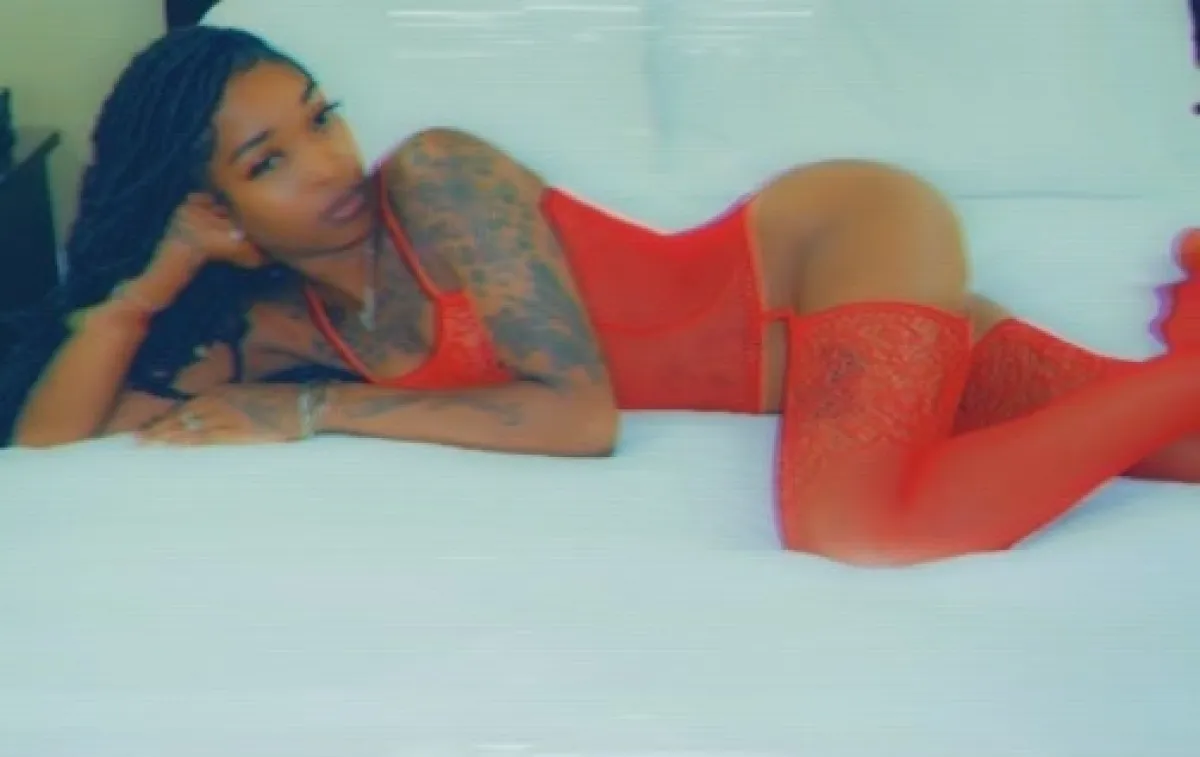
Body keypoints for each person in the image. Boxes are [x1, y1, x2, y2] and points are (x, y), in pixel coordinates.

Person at [3, 25, 1200, 567]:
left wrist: (314, 413)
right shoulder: (272, 332)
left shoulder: (439, 176)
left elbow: (578, 415)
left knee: (856, 527)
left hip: (835, 252)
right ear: (209, 209)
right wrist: (137, 298)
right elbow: (52, 450)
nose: (330, 164)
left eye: (322, 117)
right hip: (861, 371)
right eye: (269, 162)